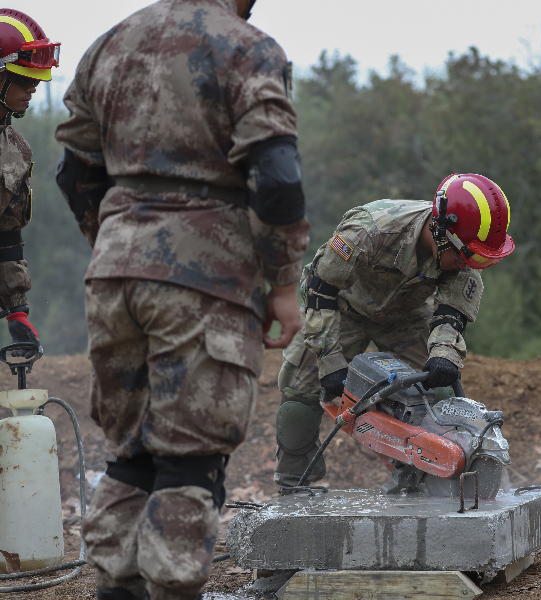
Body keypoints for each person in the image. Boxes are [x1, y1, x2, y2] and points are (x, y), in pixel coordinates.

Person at [53, 0, 309, 598]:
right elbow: (278, 178)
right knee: (190, 462)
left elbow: (75, 169)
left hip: (113, 273)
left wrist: (119, 244)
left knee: (131, 455)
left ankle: (116, 590)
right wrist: (284, 283)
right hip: (204, 278)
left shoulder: (111, 43)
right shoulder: (247, 48)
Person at [274, 173, 514, 489]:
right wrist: (330, 363)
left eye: (484, 259)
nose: (473, 265)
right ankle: (294, 485)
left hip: (406, 316)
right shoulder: (370, 229)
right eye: (470, 255)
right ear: (441, 232)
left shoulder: (461, 259)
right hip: (342, 310)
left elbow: (451, 316)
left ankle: (441, 480)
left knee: (443, 391)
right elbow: (320, 292)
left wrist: (443, 355)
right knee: (297, 395)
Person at [0, 9, 58, 359]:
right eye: (24, 80)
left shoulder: (16, 152)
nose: (33, 89)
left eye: (36, 81)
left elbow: (7, 235)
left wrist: (17, 311)